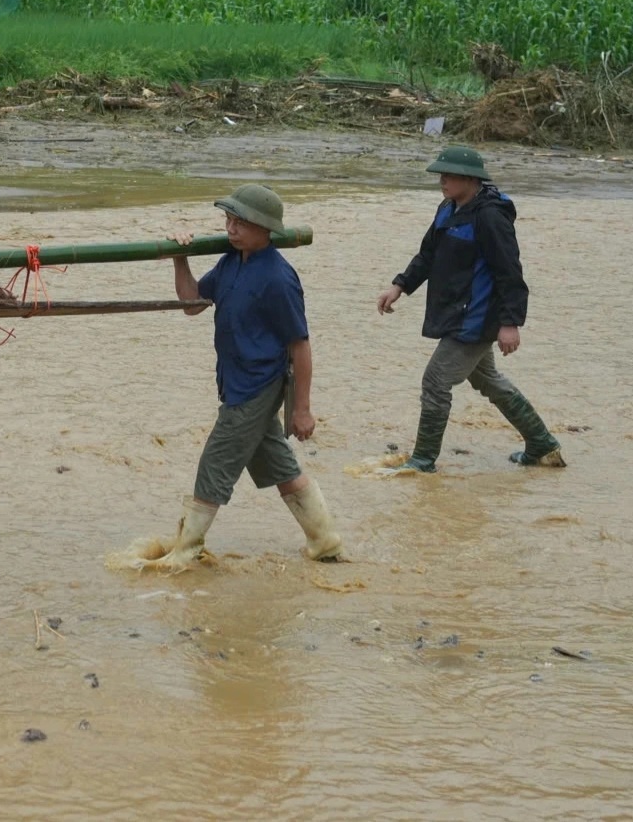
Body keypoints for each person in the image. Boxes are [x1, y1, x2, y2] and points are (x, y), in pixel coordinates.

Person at [142, 184, 342, 570]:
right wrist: (180, 258)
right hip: (235, 379)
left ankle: (185, 551)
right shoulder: (232, 262)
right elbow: (192, 305)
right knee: (279, 465)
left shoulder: (278, 279)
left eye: (240, 222)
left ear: (264, 228)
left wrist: (302, 409)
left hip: (256, 385)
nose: (231, 229)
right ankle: (325, 541)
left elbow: (300, 346)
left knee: (214, 464)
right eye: (228, 220)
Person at [376, 145, 565, 472]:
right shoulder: (447, 208)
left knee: (435, 381)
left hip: (475, 318)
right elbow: (428, 255)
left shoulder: (490, 216)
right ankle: (542, 444)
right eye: (441, 175)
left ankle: (422, 461)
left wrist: (510, 323)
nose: (442, 181)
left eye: (448, 175)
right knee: (488, 380)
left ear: (470, 179)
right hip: (455, 312)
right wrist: (400, 285)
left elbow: (509, 272)